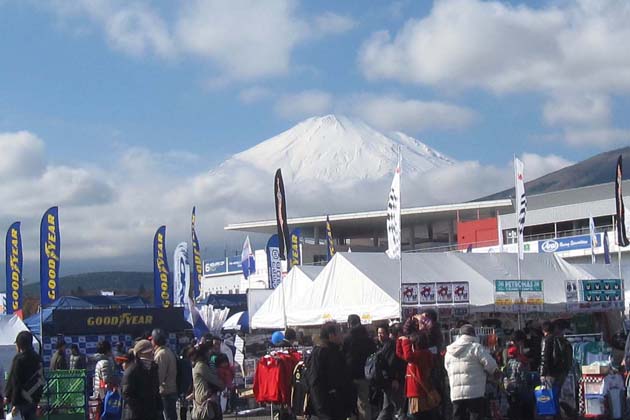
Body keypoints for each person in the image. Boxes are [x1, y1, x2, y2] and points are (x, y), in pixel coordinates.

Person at [444, 324, 499, 420]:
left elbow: (447, 367)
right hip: (475, 393)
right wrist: (496, 373)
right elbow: (490, 364)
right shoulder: (476, 347)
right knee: (475, 416)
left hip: (456, 394)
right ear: (473, 334)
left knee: (458, 417)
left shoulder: (449, 351)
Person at [308, 322, 354, 420]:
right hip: (327, 406)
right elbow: (315, 382)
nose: (342, 335)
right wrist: (321, 411)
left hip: (339, 404)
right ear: (331, 335)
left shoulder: (337, 350)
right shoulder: (320, 352)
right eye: (340, 332)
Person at [397, 321, 436, 420]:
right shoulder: (420, 355)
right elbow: (400, 354)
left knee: (416, 416)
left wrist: (405, 342)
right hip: (416, 391)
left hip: (417, 391)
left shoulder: (422, 354)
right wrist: (399, 341)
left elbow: (408, 356)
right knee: (422, 415)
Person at [343, 314, 376, 420]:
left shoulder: (347, 338)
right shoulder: (367, 337)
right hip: (365, 374)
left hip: (349, 374)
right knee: (364, 403)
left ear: (349, 323)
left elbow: (342, 355)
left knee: (350, 404)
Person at [5, 331, 44, 420]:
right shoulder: (38, 359)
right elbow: (41, 380)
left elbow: (15, 382)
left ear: (19, 345)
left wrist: (14, 402)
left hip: (20, 401)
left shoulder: (19, 359)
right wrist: (38, 399)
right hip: (33, 400)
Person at [121, 339, 161, 420]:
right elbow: (127, 394)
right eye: (147, 352)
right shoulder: (131, 371)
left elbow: (156, 391)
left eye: (152, 351)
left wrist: (159, 408)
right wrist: (139, 409)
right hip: (136, 415)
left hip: (152, 413)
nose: (151, 354)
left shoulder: (153, 368)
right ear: (139, 354)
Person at [540, 320, 572, 419]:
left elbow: (544, 358)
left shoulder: (546, 340)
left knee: (549, 397)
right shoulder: (562, 340)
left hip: (551, 373)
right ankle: (564, 414)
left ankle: (554, 416)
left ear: (544, 330)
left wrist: (542, 374)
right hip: (562, 372)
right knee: (556, 395)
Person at [375, 324, 405, 420]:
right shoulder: (384, 346)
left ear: (388, 334)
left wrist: (395, 379)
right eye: (379, 333)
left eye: (382, 333)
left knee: (392, 408)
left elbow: (393, 364)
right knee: (393, 408)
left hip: (392, 381)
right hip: (389, 381)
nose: (380, 335)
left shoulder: (390, 345)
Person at [191, 342, 224, 420]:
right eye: (208, 351)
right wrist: (223, 384)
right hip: (205, 400)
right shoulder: (201, 366)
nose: (209, 353)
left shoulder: (197, 365)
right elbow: (214, 380)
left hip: (202, 398)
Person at [151, 329, 178, 420]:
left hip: (166, 392)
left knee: (169, 417)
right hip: (170, 390)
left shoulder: (161, 354)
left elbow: (159, 377)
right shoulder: (167, 351)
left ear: (155, 341)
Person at [503, 345, 531, 420]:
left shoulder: (507, 364)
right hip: (518, 388)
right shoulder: (519, 363)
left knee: (511, 405)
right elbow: (523, 377)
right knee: (519, 405)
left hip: (508, 388)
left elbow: (504, 375)